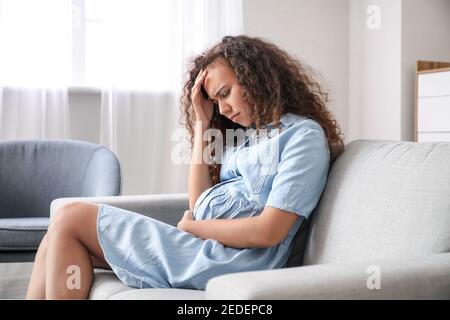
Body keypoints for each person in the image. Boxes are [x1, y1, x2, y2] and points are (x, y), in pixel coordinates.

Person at [26, 35, 344, 299]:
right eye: (216, 102)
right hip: (206, 248)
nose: (224, 108)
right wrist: (203, 123)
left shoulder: (302, 137)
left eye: (225, 94)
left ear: (256, 78)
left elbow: (270, 230)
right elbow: (199, 203)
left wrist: (194, 228)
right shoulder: (250, 138)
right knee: (59, 232)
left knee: (71, 216)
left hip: (235, 261)